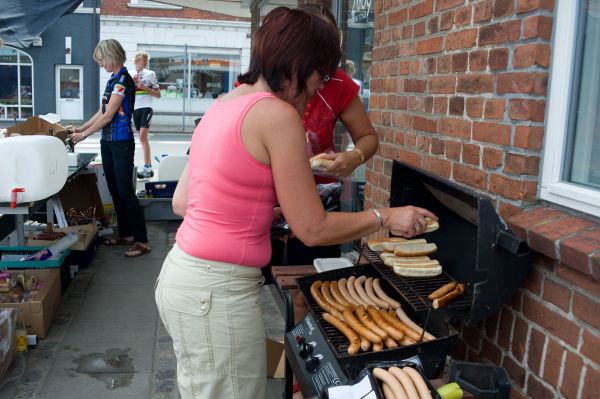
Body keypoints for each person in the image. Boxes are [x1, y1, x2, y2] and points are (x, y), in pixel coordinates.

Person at [155, 7, 436, 399]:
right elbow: (313, 228)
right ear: (300, 64)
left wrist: (260, 209)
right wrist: (385, 216)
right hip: (215, 293)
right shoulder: (277, 115)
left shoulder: (223, 105)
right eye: (320, 76)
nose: (319, 89)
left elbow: (184, 203)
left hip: (182, 279)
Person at [270, 4, 379, 266]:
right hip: (269, 193)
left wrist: (354, 156)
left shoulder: (339, 83)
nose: (326, 73)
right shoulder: (269, 81)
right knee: (265, 277)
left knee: (312, 277)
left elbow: (368, 137)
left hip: (319, 193)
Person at [70, 39, 150, 258]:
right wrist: (81, 128)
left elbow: (109, 115)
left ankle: (142, 240)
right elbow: (101, 111)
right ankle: (126, 234)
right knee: (115, 189)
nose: (100, 64)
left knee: (125, 191)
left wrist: (83, 136)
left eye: (101, 60)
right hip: (108, 141)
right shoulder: (112, 81)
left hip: (121, 141)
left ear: (110, 56)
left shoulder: (123, 80)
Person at [132, 50, 161, 179]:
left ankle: (147, 167)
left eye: (147, 61)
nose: (146, 63)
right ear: (138, 60)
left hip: (146, 108)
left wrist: (145, 88)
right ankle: (147, 167)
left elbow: (158, 94)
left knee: (143, 136)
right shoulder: (130, 74)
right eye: (145, 60)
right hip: (135, 109)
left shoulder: (151, 74)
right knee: (141, 138)